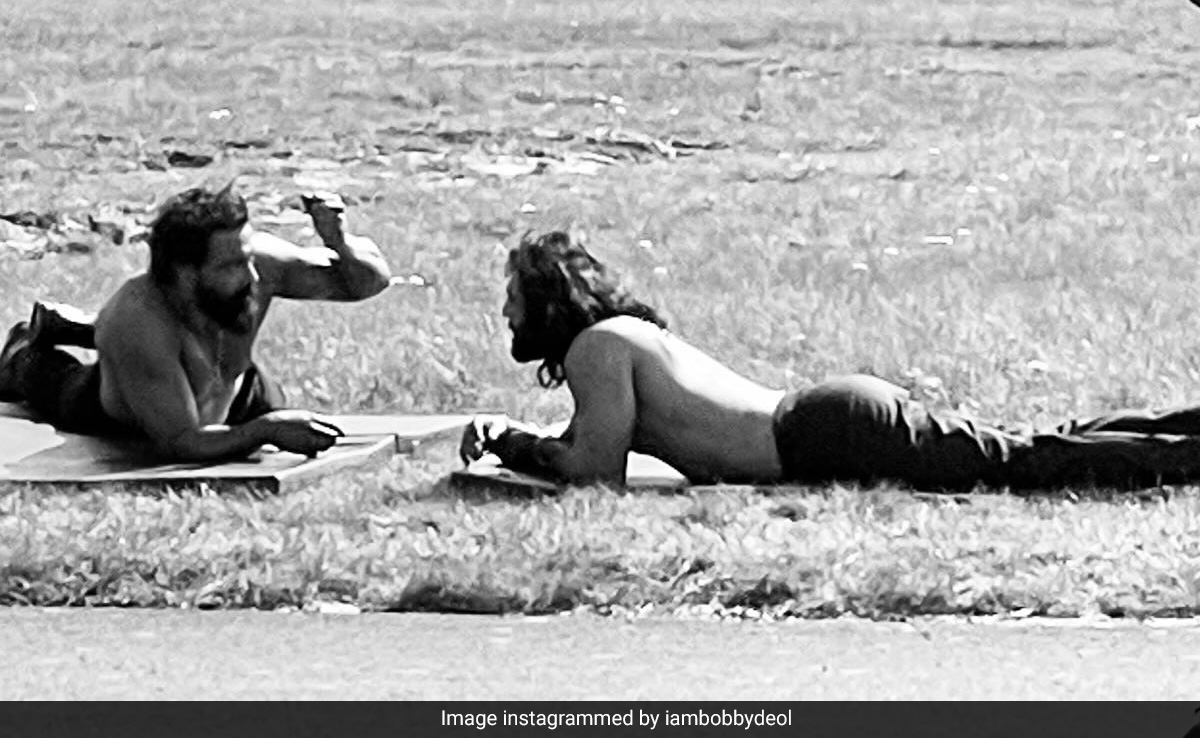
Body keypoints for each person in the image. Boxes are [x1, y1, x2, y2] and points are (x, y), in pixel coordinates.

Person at [459, 230, 1200, 492]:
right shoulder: (618, 339)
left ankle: (1187, 456)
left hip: (825, 432)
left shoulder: (596, 348)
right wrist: (516, 437)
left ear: (547, 303)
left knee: (1025, 466)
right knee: (1031, 447)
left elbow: (596, 474)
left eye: (513, 298)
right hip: (826, 419)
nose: (506, 315)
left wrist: (514, 445)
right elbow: (593, 444)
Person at [0, 184, 392, 461]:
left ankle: (84, 327)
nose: (254, 277)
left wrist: (338, 240)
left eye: (248, 258)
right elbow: (180, 441)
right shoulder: (136, 319)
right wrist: (265, 429)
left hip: (234, 387)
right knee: (47, 376)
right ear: (184, 274)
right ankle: (21, 350)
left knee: (275, 407)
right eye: (232, 266)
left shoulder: (254, 263)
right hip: (123, 416)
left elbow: (367, 283)